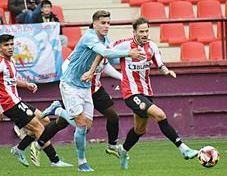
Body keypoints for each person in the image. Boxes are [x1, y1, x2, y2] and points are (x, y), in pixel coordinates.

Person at [34, 10, 144, 172]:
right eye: (103, 23)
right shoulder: (89, 37)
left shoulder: (105, 39)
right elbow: (105, 52)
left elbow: (111, 59)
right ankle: (81, 162)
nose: (106, 26)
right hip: (70, 84)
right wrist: (128, 52)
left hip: (86, 87)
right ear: (94, 24)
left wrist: (131, 51)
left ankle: (57, 109)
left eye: (108, 23)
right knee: (81, 124)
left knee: (86, 128)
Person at [85, 17, 199, 170]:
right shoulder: (124, 45)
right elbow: (103, 51)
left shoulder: (152, 46)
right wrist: (91, 71)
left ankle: (123, 151)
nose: (145, 34)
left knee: (140, 129)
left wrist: (167, 71)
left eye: (146, 31)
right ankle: (183, 149)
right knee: (160, 115)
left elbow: (160, 64)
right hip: (130, 93)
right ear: (134, 32)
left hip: (146, 92)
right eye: (141, 31)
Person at [0, 34, 72, 167]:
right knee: (38, 128)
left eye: (11, 44)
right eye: (6, 45)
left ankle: (19, 148)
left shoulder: (11, 61)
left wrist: (26, 85)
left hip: (17, 101)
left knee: (45, 120)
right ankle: (55, 160)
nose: (10, 47)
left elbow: (11, 81)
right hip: (9, 104)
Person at [41, 56, 123, 158]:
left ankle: (112, 146)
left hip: (96, 91)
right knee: (63, 123)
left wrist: (122, 77)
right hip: (78, 92)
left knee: (113, 116)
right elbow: (65, 66)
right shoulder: (82, 51)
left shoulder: (102, 51)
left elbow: (105, 66)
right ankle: (40, 142)